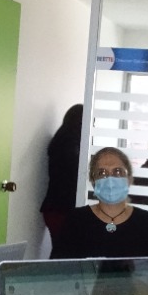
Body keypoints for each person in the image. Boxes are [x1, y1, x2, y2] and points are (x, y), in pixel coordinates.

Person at [50, 146, 148, 259]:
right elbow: (58, 272)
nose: (110, 180)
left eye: (117, 172)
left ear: (129, 179)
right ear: (93, 181)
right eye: (102, 173)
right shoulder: (75, 221)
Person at [39, 104, 84, 250]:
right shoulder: (69, 144)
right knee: (64, 253)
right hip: (62, 209)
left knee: (61, 252)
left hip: (56, 207)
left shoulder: (62, 140)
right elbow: (75, 174)